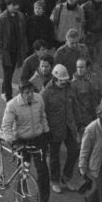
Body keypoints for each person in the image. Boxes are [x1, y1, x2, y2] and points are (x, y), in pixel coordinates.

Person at [1, 82, 53, 202]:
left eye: (31, 91)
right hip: (22, 141)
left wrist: (46, 132)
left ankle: (43, 200)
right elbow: (6, 127)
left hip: (38, 139)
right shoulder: (12, 105)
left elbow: (42, 117)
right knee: (23, 169)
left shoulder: (39, 99)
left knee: (43, 171)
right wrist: (13, 142)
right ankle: (21, 192)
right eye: (26, 93)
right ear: (21, 93)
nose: (30, 95)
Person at [42, 64, 81, 194]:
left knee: (74, 151)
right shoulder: (46, 92)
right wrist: (45, 130)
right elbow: (41, 112)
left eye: (66, 80)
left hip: (69, 126)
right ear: (55, 78)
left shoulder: (70, 88)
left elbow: (75, 106)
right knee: (54, 156)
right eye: (61, 80)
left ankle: (66, 177)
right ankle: (55, 180)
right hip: (53, 129)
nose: (64, 83)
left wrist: (77, 123)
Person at [0, 0, 28, 100]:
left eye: (17, 5)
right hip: (5, 52)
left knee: (10, 72)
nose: (16, 7)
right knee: (8, 74)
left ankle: (4, 90)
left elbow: (23, 34)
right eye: (13, 5)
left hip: (16, 50)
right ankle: (8, 96)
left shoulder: (20, 16)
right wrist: (0, 54)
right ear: (7, 5)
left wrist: (24, 49)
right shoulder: (2, 19)